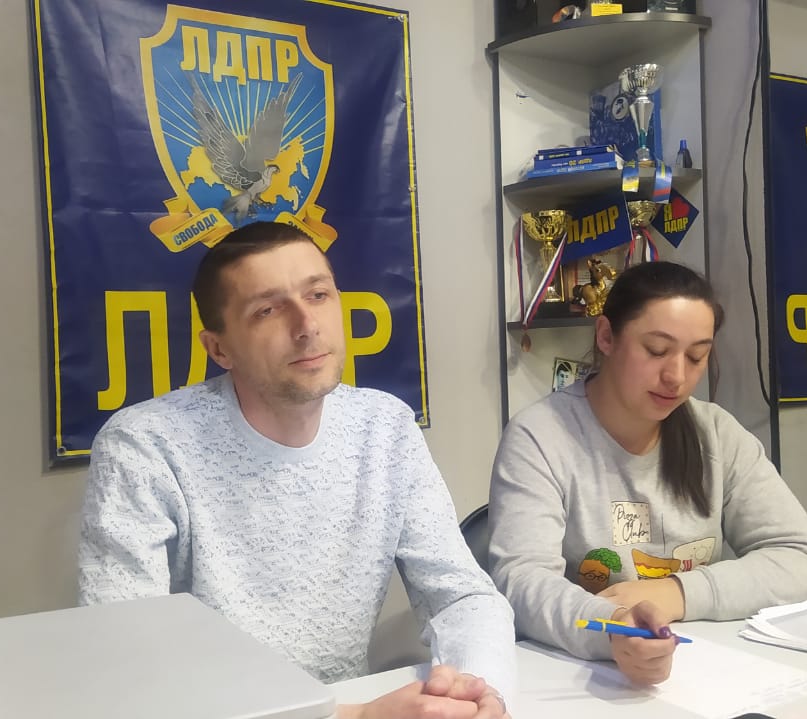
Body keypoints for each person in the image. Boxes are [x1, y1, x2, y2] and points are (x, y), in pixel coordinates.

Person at [79, 221, 515, 718]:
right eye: (267, 310)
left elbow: (461, 596)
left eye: (318, 295)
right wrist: (353, 716)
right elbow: (127, 664)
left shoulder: (385, 426)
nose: (307, 325)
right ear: (219, 349)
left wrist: (480, 691)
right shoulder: (144, 446)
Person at [488, 261, 807, 686]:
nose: (677, 377)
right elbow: (520, 582)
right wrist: (614, 626)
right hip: (582, 679)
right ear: (605, 336)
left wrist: (677, 592)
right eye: (656, 350)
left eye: (696, 356)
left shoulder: (716, 434)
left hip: (703, 674)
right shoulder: (541, 436)